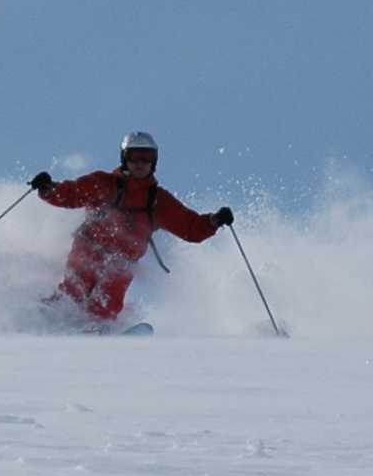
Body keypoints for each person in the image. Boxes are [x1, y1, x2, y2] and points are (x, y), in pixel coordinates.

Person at [31, 132, 233, 329]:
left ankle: (94, 329)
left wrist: (214, 221)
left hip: (123, 260)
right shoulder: (104, 183)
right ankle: (38, 320)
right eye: (134, 156)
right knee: (76, 289)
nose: (140, 162)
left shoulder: (157, 200)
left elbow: (190, 227)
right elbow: (72, 194)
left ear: (154, 161)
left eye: (146, 157)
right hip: (89, 247)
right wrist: (49, 189)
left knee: (110, 298)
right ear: (124, 157)